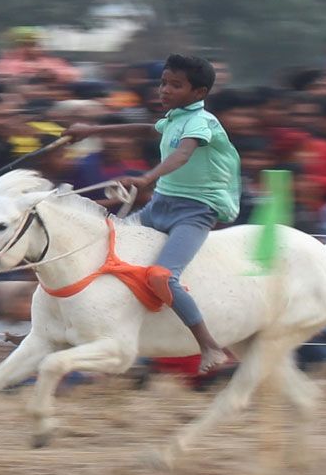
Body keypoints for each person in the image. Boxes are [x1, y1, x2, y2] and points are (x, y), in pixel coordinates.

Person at [63, 54, 240, 373]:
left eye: (175, 85)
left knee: (161, 276)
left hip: (195, 212)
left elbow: (183, 154)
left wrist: (146, 178)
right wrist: (92, 129)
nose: (165, 90)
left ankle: (209, 345)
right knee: (105, 245)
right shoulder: (174, 117)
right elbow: (149, 130)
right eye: (163, 83)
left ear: (199, 93)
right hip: (162, 204)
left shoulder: (201, 123)